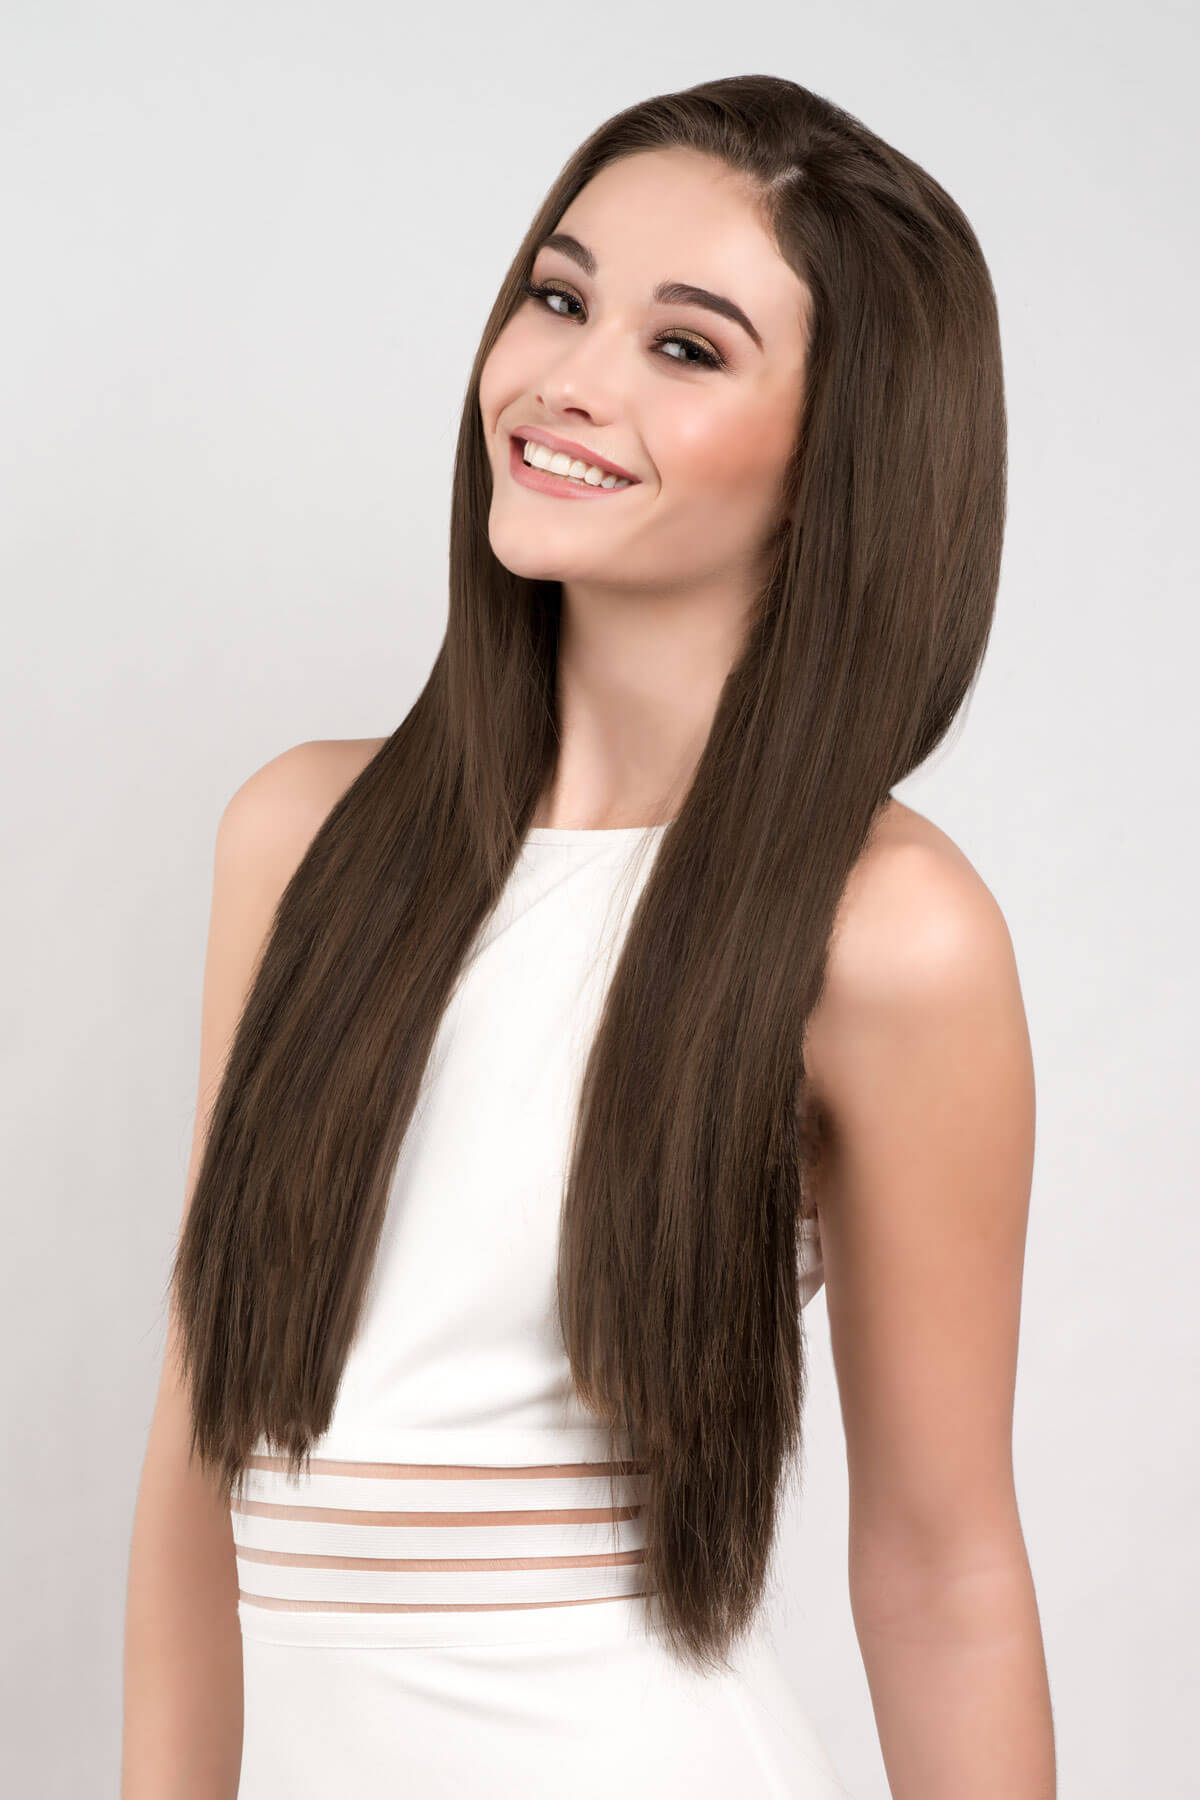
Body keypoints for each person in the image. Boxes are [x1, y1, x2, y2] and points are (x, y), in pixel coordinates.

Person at [122, 73, 1054, 1799]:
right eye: (559, 297)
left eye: (686, 348)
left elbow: (944, 1571)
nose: (566, 377)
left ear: (840, 457)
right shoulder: (301, 839)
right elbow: (204, 1452)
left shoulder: (887, 933)